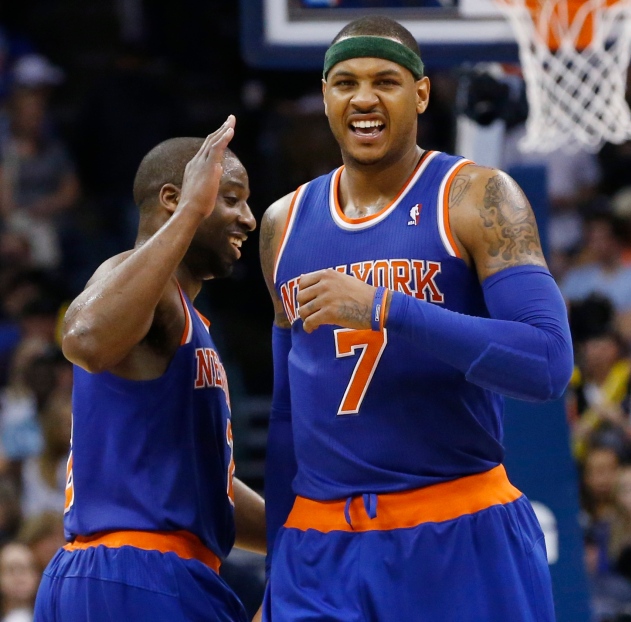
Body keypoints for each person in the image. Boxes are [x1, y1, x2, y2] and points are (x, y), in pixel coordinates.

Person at [258, 16, 573, 621]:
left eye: (386, 81)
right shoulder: (283, 223)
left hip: (456, 532)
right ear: (325, 96)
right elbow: (286, 415)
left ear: (422, 94)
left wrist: (386, 308)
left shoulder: (477, 197)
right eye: (345, 82)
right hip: (319, 553)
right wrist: (279, 561)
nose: (365, 98)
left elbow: (547, 362)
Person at [33, 119, 267, 621]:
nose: (248, 218)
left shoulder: (186, 318)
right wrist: (191, 212)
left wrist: (307, 531)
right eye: (230, 198)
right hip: (141, 575)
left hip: (118, 574)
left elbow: (207, 489)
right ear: (171, 198)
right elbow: (82, 339)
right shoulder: (131, 276)